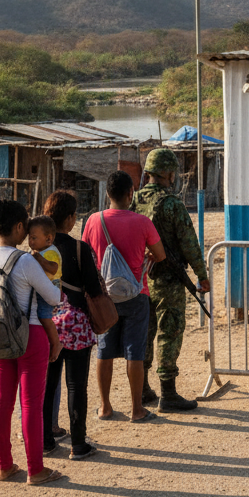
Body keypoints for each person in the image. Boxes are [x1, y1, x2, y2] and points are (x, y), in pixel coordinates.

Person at [0, 198, 64, 485]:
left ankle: (5, 466)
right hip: (30, 335)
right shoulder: (26, 260)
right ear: (18, 226)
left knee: (1, 401)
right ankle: (36, 469)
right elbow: (53, 298)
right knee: (31, 404)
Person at [83, 170, 165, 423]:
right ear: (131, 193)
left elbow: (87, 255)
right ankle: (137, 409)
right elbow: (159, 255)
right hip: (136, 294)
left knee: (104, 352)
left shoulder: (93, 221)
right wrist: (147, 259)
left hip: (104, 297)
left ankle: (105, 407)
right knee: (135, 353)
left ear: (107, 193)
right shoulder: (142, 222)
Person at [133, 148, 209, 411]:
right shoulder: (172, 204)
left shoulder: (134, 201)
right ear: (166, 173)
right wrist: (202, 275)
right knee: (170, 331)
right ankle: (168, 394)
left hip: (141, 279)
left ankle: (141, 389)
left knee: (145, 332)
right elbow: (190, 244)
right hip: (168, 280)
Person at [43, 190, 105, 459]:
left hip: (46, 323)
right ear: (69, 218)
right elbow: (93, 288)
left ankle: (45, 441)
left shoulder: (40, 250)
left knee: (48, 384)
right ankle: (79, 444)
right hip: (76, 324)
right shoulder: (80, 249)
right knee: (76, 385)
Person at [27, 216, 64, 367]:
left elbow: (53, 268)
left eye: (34, 238)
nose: (31, 242)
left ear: (49, 239)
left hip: (51, 288)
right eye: (29, 238)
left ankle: (56, 343)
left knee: (44, 315)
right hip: (44, 288)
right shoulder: (40, 249)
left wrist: (39, 259)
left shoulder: (50, 252)